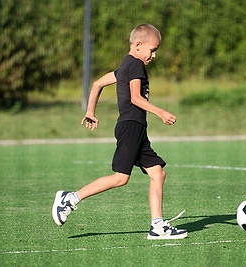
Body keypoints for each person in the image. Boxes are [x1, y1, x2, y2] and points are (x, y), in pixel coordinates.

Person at [52, 24, 187, 240]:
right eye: (152, 50)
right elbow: (135, 98)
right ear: (138, 45)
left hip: (136, 128)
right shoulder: (135, 65)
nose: (154, 55)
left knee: (157, 173)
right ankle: (71, 198)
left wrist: (90, 111)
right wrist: (161, 112)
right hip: (131, 125)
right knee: (121, 178)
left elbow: (97, 84)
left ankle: (158, 226)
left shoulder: (125, 65)